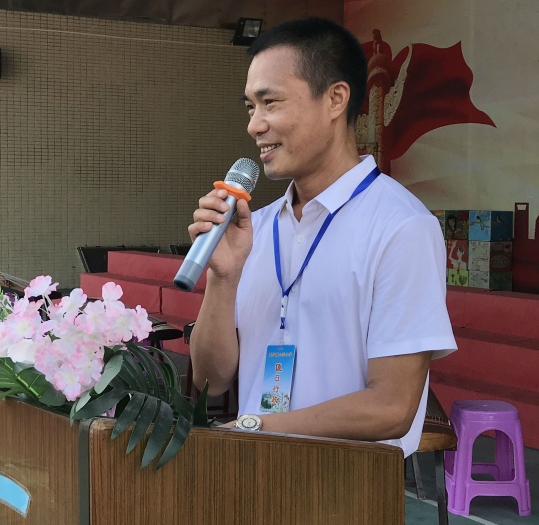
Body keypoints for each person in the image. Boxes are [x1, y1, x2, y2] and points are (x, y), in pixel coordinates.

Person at [187, 17, 457, 457]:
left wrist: (258, 426)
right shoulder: (255, 228)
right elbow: (209, 381)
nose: (255, 125)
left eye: (270, 102)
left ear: (335, 99)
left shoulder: (401, 227)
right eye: (250, 107)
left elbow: (392, 407)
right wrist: (224, 277)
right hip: (252, 471)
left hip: (346, 484)